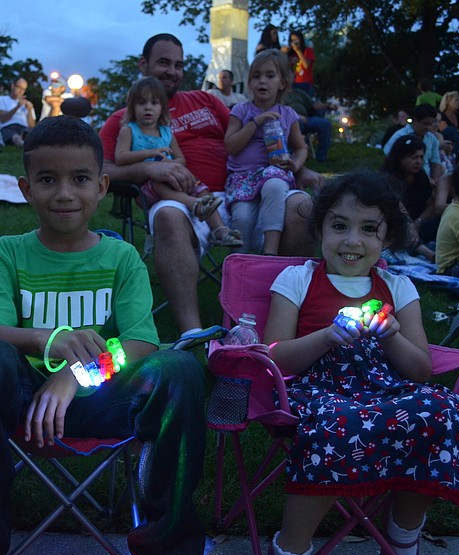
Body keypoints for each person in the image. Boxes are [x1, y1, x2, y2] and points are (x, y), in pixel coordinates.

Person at [0, 115, 207, 555]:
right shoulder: (7, 253)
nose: (64, 193)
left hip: (106, 400)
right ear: (26, 190)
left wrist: (76, 375)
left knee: (179, 368)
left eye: (80, 179)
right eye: (48, 180)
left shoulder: (121, 257)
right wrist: (54, 341)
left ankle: (170, 550)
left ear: (101, 187)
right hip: (26, 403)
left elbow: (141, 342)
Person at [264, 170, 459, 555]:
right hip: (318, 392)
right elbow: (275, 357)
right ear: (320, 230)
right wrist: (326, 337)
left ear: (386, 239)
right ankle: (291, 548)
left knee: (443, 411)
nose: (352, 241)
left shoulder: (399, 286)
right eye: (339, 226)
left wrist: (390, 335)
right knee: (338, 423)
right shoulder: (297, 278)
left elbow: (420, 369)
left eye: (369, 229)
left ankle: (403, 537)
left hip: (386, 390)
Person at [99, 33, 320, 337]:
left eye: (178, 65)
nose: (172, 71)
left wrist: (301, 167)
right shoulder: (127, 119)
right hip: (182, 201)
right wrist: (151, 167)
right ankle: (194, 334)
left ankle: (285, 322)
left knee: (302, 208)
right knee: (167, 216)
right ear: (143, 64)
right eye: (163, 62)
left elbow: (250, 136)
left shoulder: (204, 100)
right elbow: (101, 169)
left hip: (244, 187)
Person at [116, 77, 242, 247]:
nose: (148, 107)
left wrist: (172, 164)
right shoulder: (129, 130)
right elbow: (121, 157)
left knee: (199, 186)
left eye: (154, 103)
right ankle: (195, 205)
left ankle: (220, 231)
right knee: (159, 182)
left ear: (162, 108)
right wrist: (151, 154)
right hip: (147, 188)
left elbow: (180, 158)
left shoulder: (166, 133)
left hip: (172, 179)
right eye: (141, 103)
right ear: (132, 107)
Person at [224, 49, 308, 256]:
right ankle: (239, 263)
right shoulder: (241, 111)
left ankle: (270, 254)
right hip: (243, 176)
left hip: (274, 171)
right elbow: (230, 146)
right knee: (242, 218)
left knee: (275, 183)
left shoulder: (287, 114)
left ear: (282, 83)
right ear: (250, 82)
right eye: (256, 76)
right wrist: (255, 123)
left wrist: (296, 164)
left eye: (270, 76)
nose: (262, 81)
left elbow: (300, 147)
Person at [381, 135, 440, 261]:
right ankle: (426, 252)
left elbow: (431, 203)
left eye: (421, 157)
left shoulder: (421, 175)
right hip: (398, 224)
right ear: (401, 158)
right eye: (414, 158)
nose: (419, 161)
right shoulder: (388, 178)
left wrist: (418, 222)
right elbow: (396, 205)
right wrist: (410, 225)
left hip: (419, 223)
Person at [383, 103, 445, 187]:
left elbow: (435, 163)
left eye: (430, 124)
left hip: (427, 183)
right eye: (425, 123)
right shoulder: (400, 136)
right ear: (415, 120)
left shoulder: (431, 138)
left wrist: (435, 181)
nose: (428, 127)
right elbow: (391, 162)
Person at [283, 85, 333, 162]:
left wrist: (327, 106)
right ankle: (294, 158)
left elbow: (313, 104)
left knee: (325, 124)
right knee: (295, 123)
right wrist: (296, 117)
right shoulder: (279, 95)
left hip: (307, 119)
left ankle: (322, 157)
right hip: (291, 120)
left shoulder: (298, 92)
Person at [0, 77, 36, 147]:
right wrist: (17, 107)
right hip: (8, 127)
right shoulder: (1, 99)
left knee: (29, 133)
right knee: (16, 138)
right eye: (19, 87)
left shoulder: (27, 104)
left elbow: (32, 126)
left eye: (24, 89)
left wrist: (30, 110)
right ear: (13, 86)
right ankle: (26, 145)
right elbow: (3, 119)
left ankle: (26, 142)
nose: (21, 91)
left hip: (24, 127)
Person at [283, 29, 315, 96]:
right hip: (293, 84)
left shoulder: (308, 50)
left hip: (306, 83)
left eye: (296, 40)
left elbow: (306, 65)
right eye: (292, 40)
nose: (294, 42)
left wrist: (298, 51)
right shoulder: (290, 54)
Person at [438, 90, 459, 158]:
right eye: (456, 100)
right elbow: (445, 130)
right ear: (448, 102)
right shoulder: (442, 116)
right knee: (451, 130)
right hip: (447, 139)